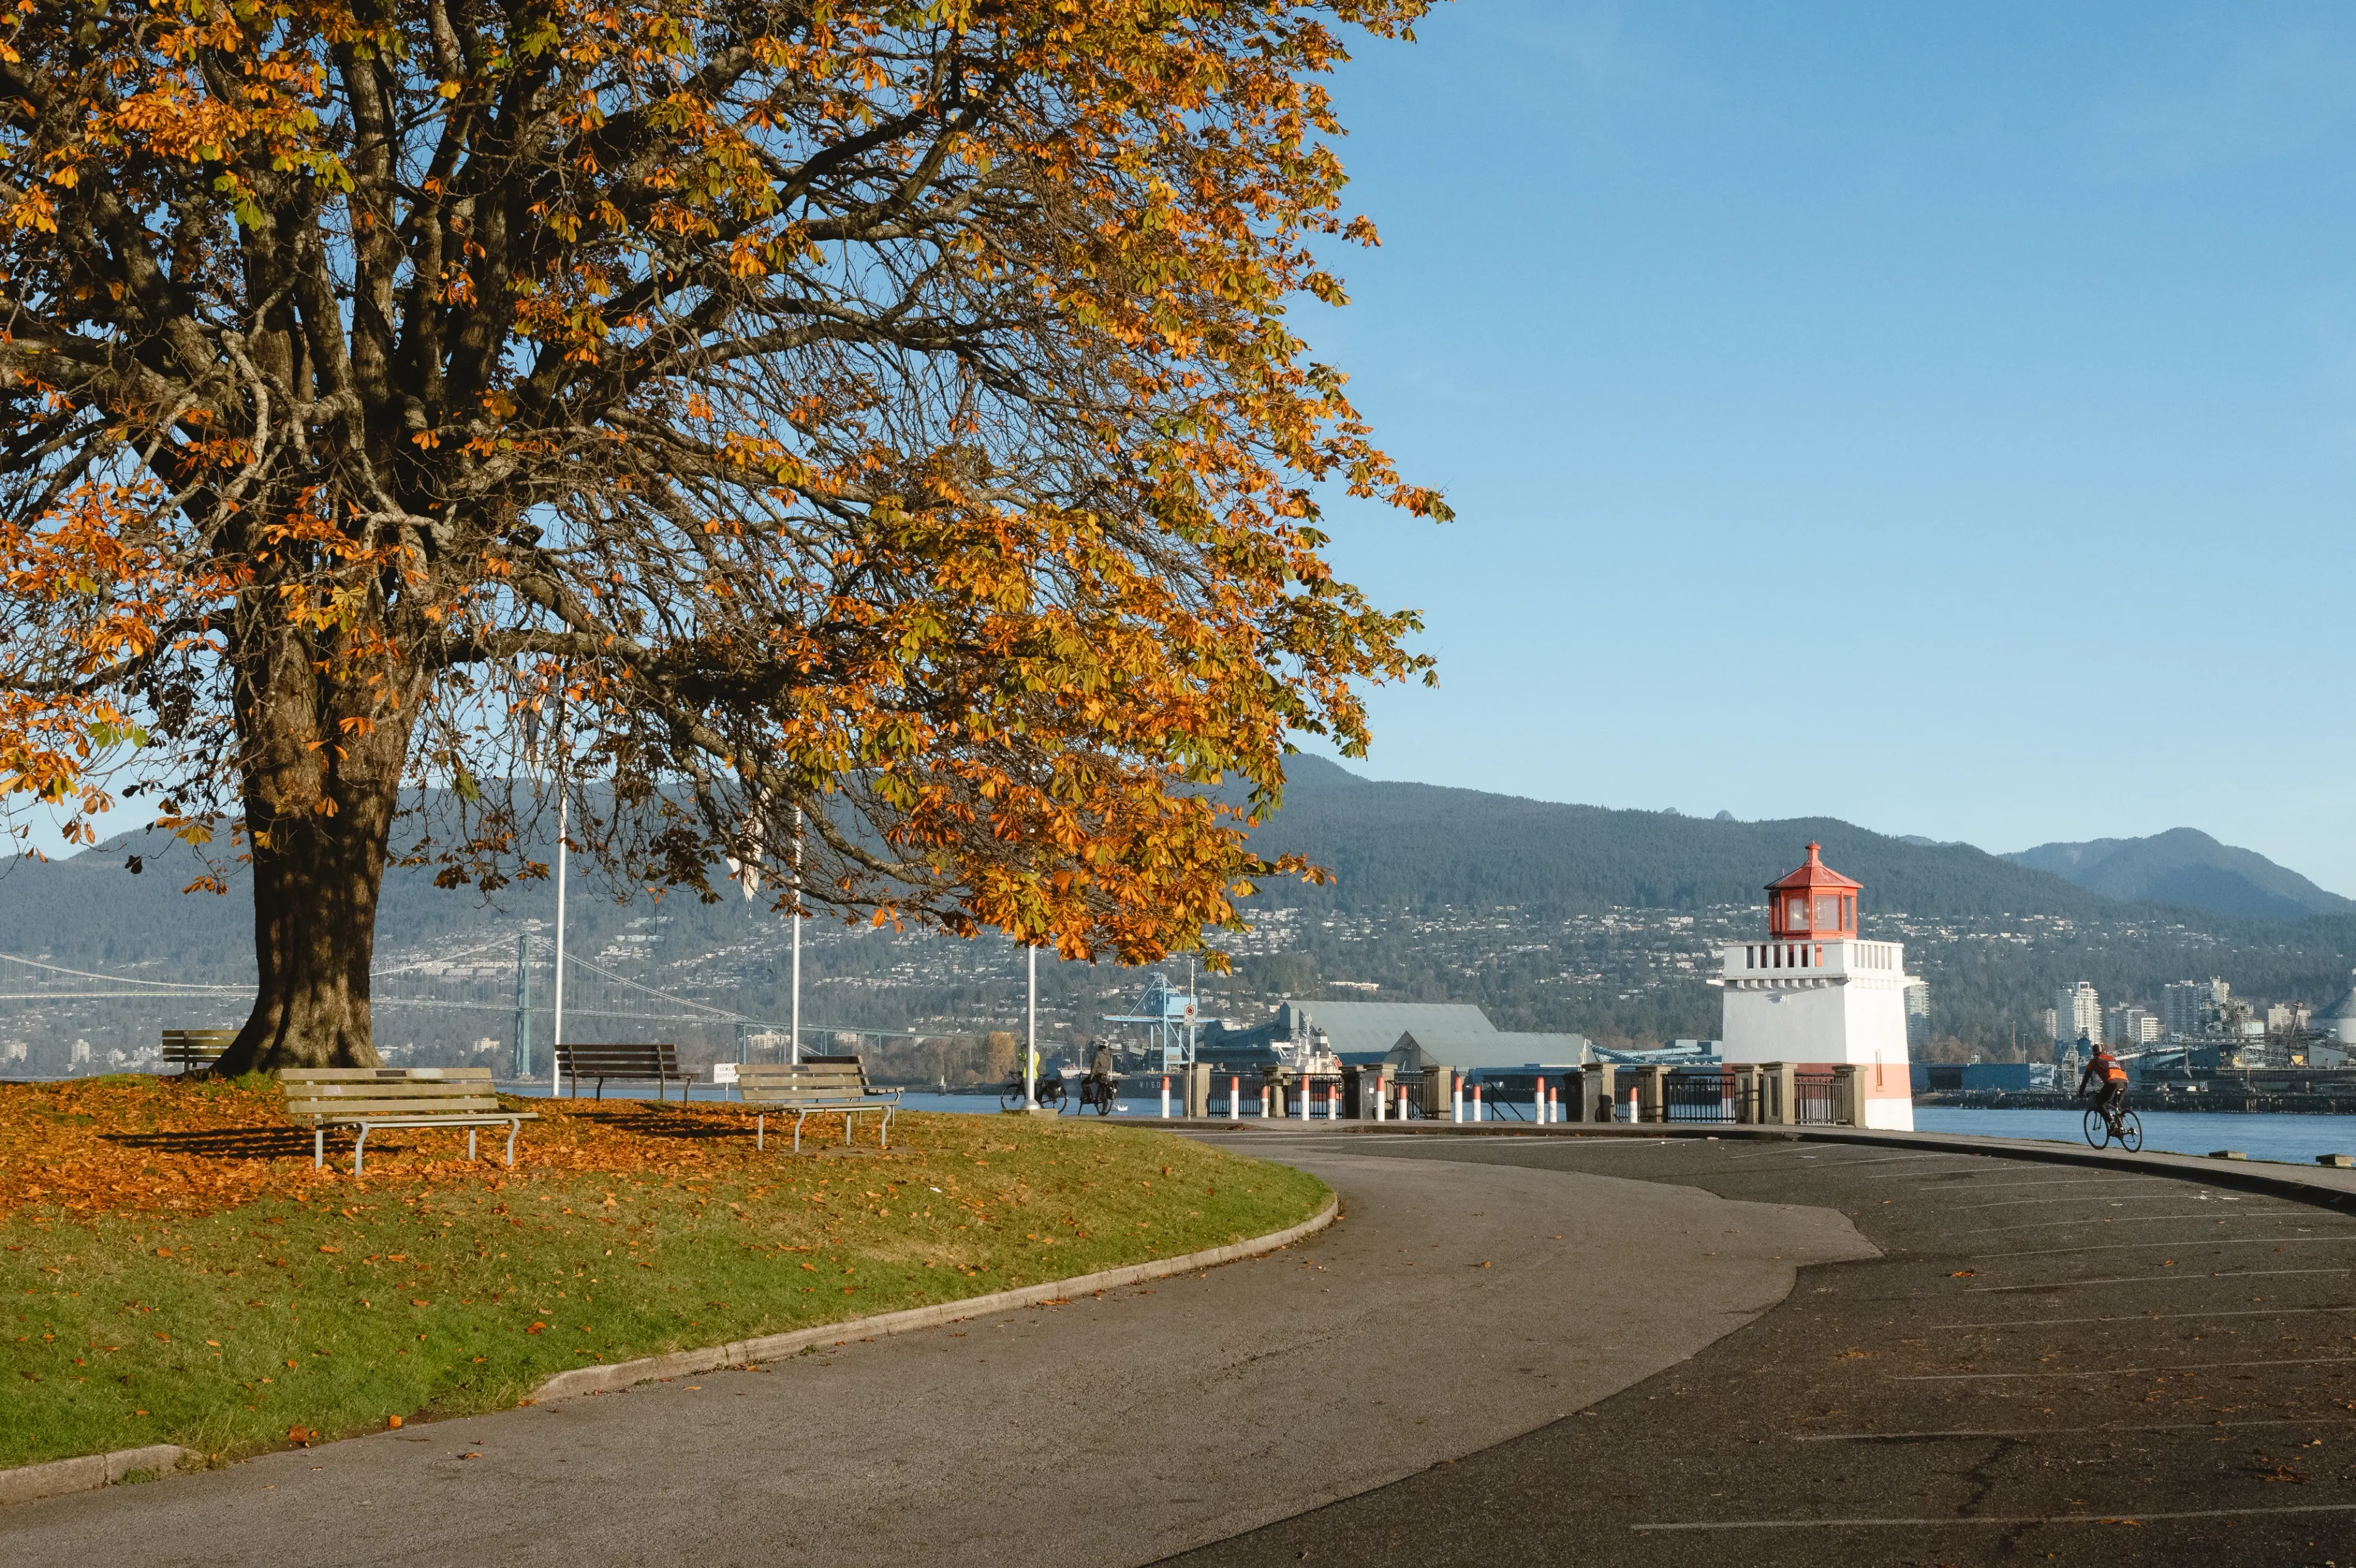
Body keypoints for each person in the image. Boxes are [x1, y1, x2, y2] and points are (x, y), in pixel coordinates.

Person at [2077, 1036, 2128, 1129]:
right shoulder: (2112, 1058)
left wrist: (2081, 1092)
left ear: (2093, 1053)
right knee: (2117, 1105)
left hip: (2112, 1083)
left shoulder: (2094, 1062)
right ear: (2103, 1051)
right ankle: (2121, 1129)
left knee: (2100, 1103)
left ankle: (2111, 1123)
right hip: (2124, 1081)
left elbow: (2086, 1078)